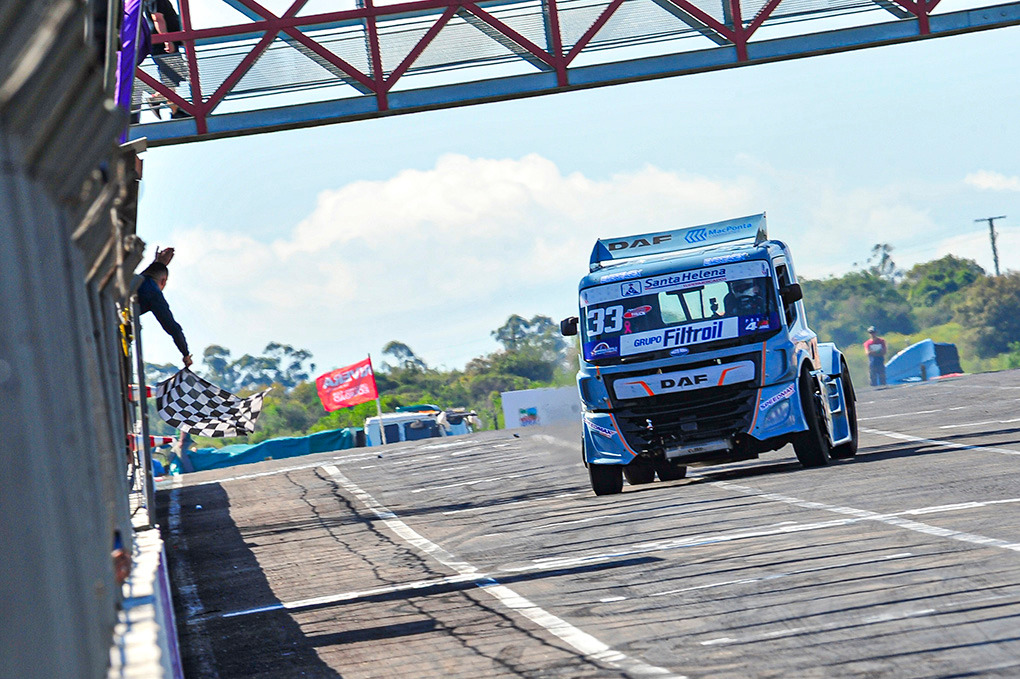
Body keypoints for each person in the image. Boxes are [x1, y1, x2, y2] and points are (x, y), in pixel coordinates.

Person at [137, 247, 193, 368]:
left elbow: (152, 270)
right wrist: (185, 354)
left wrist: (158, 262)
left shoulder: (134, 279)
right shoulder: (154, 293)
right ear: (163, 281)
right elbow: (174, 329)